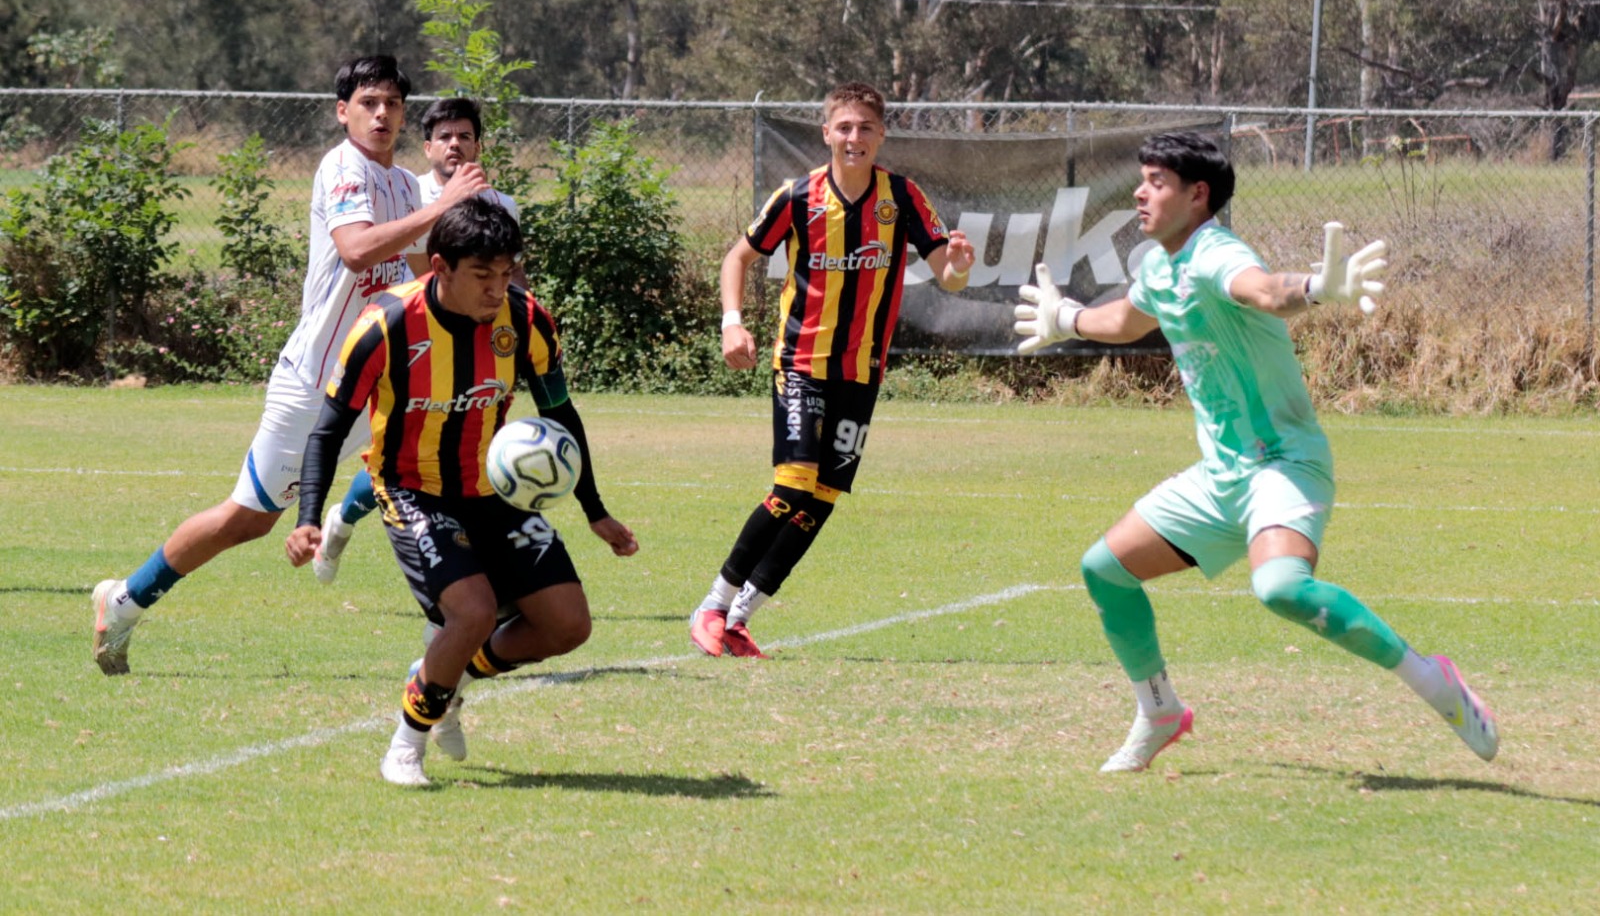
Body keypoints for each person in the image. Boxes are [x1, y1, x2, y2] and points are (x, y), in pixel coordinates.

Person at [1011, 130, 1498, 772]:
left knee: (1280, 588)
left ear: (1197, 195)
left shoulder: (1215, 254)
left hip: (1282, 464)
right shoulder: (1159, 265)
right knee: (1105, 569)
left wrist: (1317, 290)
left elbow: (1266, 291)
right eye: (1143, 178)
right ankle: (1159, 711)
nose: (1140, 191)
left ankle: (1431, 679)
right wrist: (1065, 319)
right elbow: (1127, 321)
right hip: (1220, 477)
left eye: (1157, 182)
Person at [91, 55, 491, 675]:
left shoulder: (408, 187)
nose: (381, 113)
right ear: (343, 111)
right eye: (368, 102)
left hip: (377, 382)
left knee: (429, 473)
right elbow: (357, 251)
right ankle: (123, 601)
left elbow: (417, 277)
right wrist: (443, 209)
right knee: (247, 520)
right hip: (315, 386)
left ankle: (462, 634)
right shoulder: (343, 168)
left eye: (391, 103)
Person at [286, 196, 638, 786]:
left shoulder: (526, 320)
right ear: (440, 266)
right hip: (411, 489)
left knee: (567, 625)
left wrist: (595, 511)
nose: (498, 288)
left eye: (506, 272)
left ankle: (443, 678)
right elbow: (326, 431)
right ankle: (405, 745)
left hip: (493, 492)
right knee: (471, 612)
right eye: (483, 275)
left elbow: (562, 416)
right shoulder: (385, 326)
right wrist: (308, 517)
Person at [687, 81, 976, 659]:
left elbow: (949, 273)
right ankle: (713, 605)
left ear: (881, 135)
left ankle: (742, 618)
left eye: (866, 128)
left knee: (819, 499)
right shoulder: (798, 197)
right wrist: (730, 322)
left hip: (861, 371)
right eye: (844, 127)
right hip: (801, 362)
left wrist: (962, 266)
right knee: (792, 485)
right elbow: (738, 257)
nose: (854, 138)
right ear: (827, 134)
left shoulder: (903, 197)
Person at [313, 96, 521, 585]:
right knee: (410, 452)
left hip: (481, 343)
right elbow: (422, 280)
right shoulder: (413, 198)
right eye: (445, 137)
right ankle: (344, 520)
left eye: (465, 136)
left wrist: (522, 331)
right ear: (426, 146)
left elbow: (513, 284)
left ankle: (459, 572)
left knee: (457, 449)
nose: (455, 145)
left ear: (477, 145)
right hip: (413, 344)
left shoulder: (500, 204)